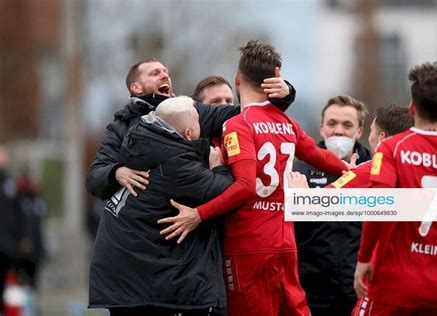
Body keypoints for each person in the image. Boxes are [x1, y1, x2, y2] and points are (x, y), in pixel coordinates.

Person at [158, 40, 348, 316]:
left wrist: (199, 214)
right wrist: (351, 169)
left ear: (237, 80)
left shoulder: (237, 124)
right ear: (275, 78)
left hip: (249, 247)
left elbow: (246, 187)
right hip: (285, 243)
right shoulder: (287, 122)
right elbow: (320, 157)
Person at [89, 96, 234, 316]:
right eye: (198, 125)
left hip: (123, 275)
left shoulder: (141, 140)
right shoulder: (175, 161)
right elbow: (224, 190)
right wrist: (218, 168)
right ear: (187, 134)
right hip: (140, 281)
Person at [354, 62, 437, 316]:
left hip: (394, 285)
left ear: (412, 107)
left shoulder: (393, 148)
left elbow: (379, 204)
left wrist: (364, 258)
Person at [85, 58, 295, 200]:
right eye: (155, 73)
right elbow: (94, 179)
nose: (164, 75)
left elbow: (247, 114)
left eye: (166, 72)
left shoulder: (192, 112)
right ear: (136, 87)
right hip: (141, 232)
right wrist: (116, 172)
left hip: (189, 232)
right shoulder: (120, 127)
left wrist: (284, 94)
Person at [292, 95, 371, 315]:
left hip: (360, 291)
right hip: (311, 293)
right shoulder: (300, 171)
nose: (338, 131)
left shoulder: (375, 172)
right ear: (322, 128)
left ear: (359, 131)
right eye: (332, 124)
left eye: (347, 125)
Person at [0, 146, 22, 314]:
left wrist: (19, 239)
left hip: (8, 247)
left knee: (10, 290)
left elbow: (17, 213)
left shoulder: (10, 184)